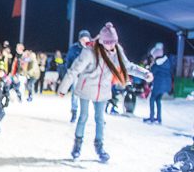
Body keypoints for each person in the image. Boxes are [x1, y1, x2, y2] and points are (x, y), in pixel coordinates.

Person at [58, 22, 152, 163]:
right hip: (86, 88)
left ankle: (99, 147)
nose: (111, 46)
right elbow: (74, 69)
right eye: (108, 43)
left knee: (100, 119)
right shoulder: (90, 51)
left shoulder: (117, 51)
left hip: (103, 91)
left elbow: (127, 66)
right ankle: (77, 146)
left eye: (113, 42)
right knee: (83, 116)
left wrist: (144, 73)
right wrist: (63, 88)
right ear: (102, 41)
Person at [66, 30, 91, 122]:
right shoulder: (74, 48)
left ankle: (88, 114)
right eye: (82, 39)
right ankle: (74, 112)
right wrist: (69, 70)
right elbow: (69, 60)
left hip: (88, 76)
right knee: (75, 94)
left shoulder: (92, 48)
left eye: (86, 39)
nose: (84, 41)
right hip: (76, 75)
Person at [144, 42, 172, 124]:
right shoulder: (167, 62)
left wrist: (150, 66)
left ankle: (152, 117)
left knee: (152, 98)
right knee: (158, 99)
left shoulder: (156, 64)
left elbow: (151, 73)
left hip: (159, 84)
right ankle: (159, 118)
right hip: (166, 84)